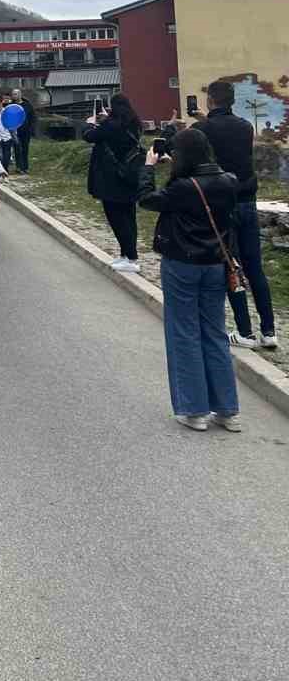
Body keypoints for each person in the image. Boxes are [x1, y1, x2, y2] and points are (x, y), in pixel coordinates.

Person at [137, 128, 241, 432]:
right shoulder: (229, 181)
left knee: (184, 332)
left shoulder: (182, 187)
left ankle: (194, 410)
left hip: (182, 262)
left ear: (181, 155)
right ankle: (227, 409)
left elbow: (146, 199)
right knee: (215, 333)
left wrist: (148, 167)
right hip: (216, 264)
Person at [198, 79, 278, 350]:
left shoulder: (203, 129)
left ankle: (245, 332)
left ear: (210, 100)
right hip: (247, 202)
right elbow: (229, 141)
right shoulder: (245, 127)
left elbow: (205, 146)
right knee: (255, 267)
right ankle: (269, 331)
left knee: (231, 266)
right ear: (232, 100)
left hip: (222, 205)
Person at [84, 93, 144, 273]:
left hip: (111, 180)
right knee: (129, 218)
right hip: (130, 176)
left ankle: (131, 258)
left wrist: (90, 122)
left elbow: (89, 136)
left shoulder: (110, 125)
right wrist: (106, 120)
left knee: (117, 220)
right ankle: (127, 255)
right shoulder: (135, 124)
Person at [10, 89, 36, 174]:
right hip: (15, 131)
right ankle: (19, 167)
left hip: (26, 131)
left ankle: (25, 167)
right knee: (17, 149)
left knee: (25, 149)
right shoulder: (11, 106)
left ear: (20, 94)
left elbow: (32, 117)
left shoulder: (27, 105)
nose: (14, 96)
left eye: (16, 94)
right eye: (13, 94)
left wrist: (31, 129)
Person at [0, 96, 14, 172]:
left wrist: (13, 133)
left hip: (7, 136)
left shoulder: (6, 112)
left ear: (1, 102)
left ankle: (5, 169)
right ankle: (1, 170)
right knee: (0, 155)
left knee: (7, 155)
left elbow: (12, 123)